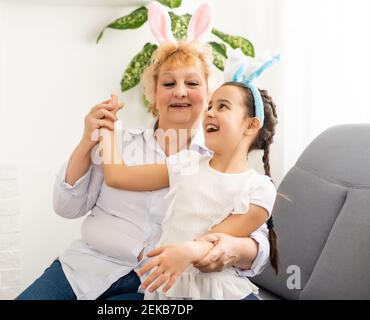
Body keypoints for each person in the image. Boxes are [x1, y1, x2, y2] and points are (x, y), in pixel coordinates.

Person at [15, 1, 272, 300]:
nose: (179, 91)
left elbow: (255, 241)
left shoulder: (217, 161)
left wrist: (231, 249)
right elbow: (67, 206)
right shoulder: (120, 143)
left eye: (192, 83)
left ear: (208, 96)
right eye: (168, 83)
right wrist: (89, 140)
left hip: (158, 283)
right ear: (153, 95)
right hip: (86, 268)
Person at [100, 50, 280, 299]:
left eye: (222, 106)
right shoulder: (185, 163)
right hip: (173, 288)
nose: (209, 112)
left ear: (251, 125)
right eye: (209, 106)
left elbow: (216, 237)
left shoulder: (260, 188)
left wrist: (185, 252)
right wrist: (107, 129)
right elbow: (118, 176)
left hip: (221, 290)